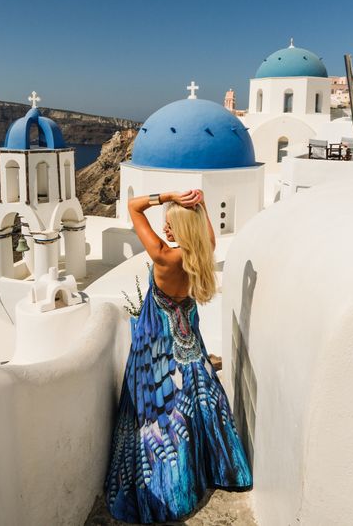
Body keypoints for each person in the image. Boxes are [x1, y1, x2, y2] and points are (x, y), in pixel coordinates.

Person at [104, 189, 252, 524]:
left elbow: (132, 206)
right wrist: (198, 205)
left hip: (156, 350)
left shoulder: (165, 258)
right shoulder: (204, 251)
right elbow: (206, 232)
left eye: (171, 225)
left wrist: (167, 196)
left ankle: (170, 489)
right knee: (198, 406)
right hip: (190, 344)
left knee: (158, 419)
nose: (165, 229)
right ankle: (211, 470)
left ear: (182, 229)